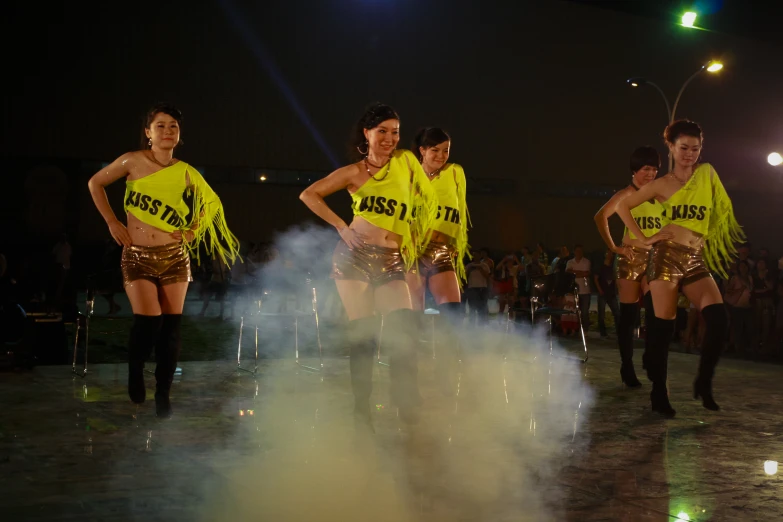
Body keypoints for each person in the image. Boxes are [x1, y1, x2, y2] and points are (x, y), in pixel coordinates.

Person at [87, 103, 240, 418]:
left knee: (171, 327)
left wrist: (193, 229)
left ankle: (163, 392)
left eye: (173, 126)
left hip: (174, 257)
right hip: (138, 255)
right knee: (147, 321)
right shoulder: (133, 160)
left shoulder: (187, 172)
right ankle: (134, 371)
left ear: (179, 134)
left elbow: (211, 203)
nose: (167, 131)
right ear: (148, 132)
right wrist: (113, 223)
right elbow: (95, 183)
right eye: (160, 125)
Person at [299, 103, 437, 426]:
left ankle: (405, 403)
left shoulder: (405, 163)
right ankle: (362, 410)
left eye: (395, 133)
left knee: (404, 329)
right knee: (364, 337)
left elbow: (427, 196)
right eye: (382, 132)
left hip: (391, 259)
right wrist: (341, 226)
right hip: (354, 258)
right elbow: (309, 195)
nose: (390, 138)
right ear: (367, 133)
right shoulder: (354, 172)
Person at [616, 120, 744, 417]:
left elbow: (718, 211)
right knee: (663, 329)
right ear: (671, 148)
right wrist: (647, 239)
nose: (689, 153)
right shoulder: (661, 185)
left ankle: (704, 381)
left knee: (719, 319)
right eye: (683, 147)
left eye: (695, 148)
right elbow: (624, 207)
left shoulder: (707, 174)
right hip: (665, 257)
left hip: (695, 258)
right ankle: (659, 396)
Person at [405, 127, 470, 392]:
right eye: (435, 150)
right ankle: (409, 379)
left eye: (446, 150)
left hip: (443, 250)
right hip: (413, 252)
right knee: (412, 318)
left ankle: (448, 376)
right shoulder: (408, 175)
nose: (441, 155)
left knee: (453, 314)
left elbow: (460, 209)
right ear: (422, 150)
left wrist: (456, 242)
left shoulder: (455, 172)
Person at [594, 146, 664, 387]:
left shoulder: (660, 195)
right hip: (630, 259)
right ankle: (627, 366)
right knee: (629, 316)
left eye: (654, 169)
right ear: (635, 170)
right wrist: (614, 248)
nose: (651, 173)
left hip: (654, 259)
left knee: (656, 313)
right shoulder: (626, 194)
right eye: (646, 168)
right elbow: (600, 216)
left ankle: (648, 356)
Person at [724, 260, 754, 356]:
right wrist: (739, 290)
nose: (743, 268)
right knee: (737, 327)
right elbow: (728, 290)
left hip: (747, 306)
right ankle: (735, 347)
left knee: (747, 327)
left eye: (744, 266)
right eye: (741, 266)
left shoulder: (750, 278)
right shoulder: (735, 278)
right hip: (737, 306)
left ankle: (742, 347)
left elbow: (751, 290)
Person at [594, 250, 620, 339]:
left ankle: (618, 331)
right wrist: (600, 290)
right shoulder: (601, 266)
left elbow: (616, 279)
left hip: (611, 293)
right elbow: (596, 278)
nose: (610, 255)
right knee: (601, 314)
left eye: (611, 253)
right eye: (608, 253)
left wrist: (617, 289)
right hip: (603, 293)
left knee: (617, 313)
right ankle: (603, 332)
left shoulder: (613, 267)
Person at [565, 245, 591, 331]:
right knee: (574, 311)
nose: (579, 253)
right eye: (577, 251)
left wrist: (574, 272)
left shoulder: (586, 262)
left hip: (584, 290)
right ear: (574, 252)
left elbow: (586, 273)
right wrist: (580, 273)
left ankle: (585, 329)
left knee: (584, 312)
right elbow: (568, 273)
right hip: (573, 291)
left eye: (580, 251)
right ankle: (575, 329)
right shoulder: (570, 262)